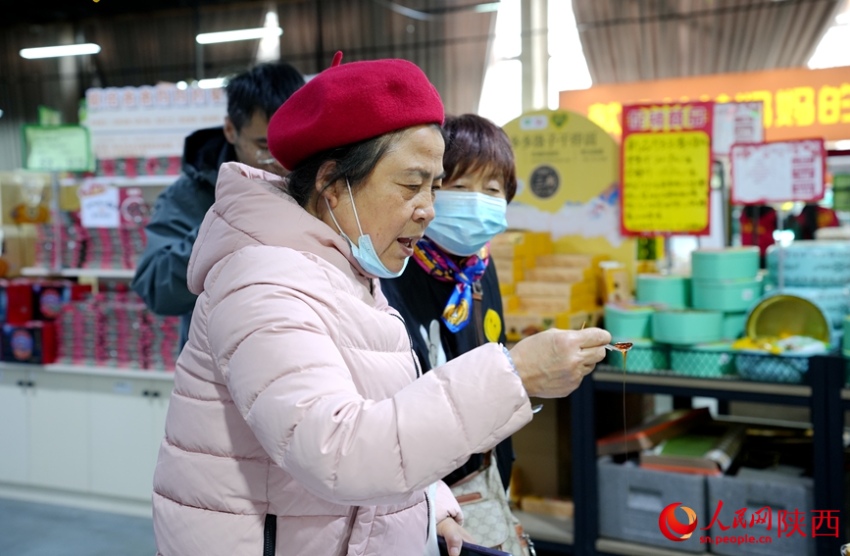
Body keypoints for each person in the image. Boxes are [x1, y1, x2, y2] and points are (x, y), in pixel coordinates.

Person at [151, 51, 611, 556]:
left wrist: (427, 504)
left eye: (434, 187)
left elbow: (378, 416)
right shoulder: (266, 281)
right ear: (331, 183)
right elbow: (337, 450)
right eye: (412, 185)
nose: (428, 210)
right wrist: (513, 375)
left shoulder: (348, 270)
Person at [379, 113, 528, 553]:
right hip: (419, 495)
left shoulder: (480, 268)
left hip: (484, 478)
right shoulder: (392, 268)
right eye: (460, 189)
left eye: (494, 190)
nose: (478, 203)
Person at [130, 61, 306, 348]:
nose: (279, 161)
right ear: (230, 130)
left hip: (311, 357)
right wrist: (226, 222)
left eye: (291, 142)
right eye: (264, 147)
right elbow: (155, 288)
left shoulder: (319, 180)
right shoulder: (190, 195)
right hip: (221, 370)